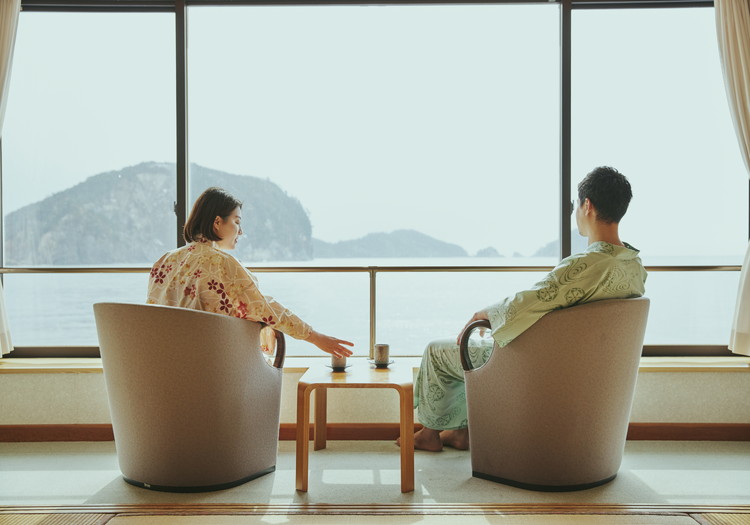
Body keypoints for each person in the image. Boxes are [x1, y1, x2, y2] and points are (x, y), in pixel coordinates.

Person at [404, 166, 647, 452]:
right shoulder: (634, 267)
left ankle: (428, 435)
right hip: (586, 370)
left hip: (541, 369)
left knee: (438, 350)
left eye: (575, 206)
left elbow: (532, 300)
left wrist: (484, 314)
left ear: (587, 205)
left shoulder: (587, 265)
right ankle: (460, 433)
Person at [147, 187, 354, 358]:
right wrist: (316, 337)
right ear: (217, 222)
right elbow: (264, 307)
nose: (241, 231)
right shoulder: (222, 263)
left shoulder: (164, 261)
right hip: (210, 367)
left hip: (165, 363)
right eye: (237, 221)